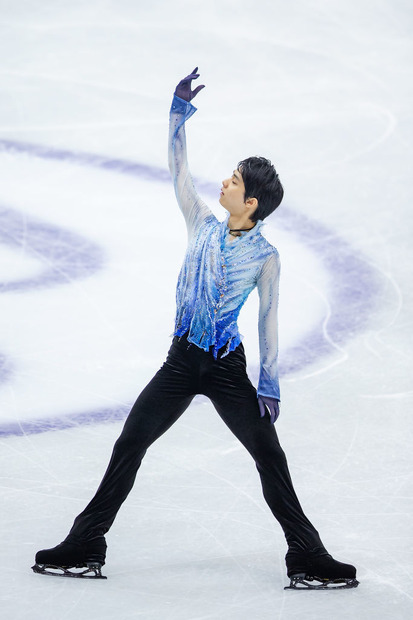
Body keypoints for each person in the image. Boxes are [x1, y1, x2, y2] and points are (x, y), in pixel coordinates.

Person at [32, 69, 358, 590]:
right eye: (229, 175)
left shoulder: (266, 258)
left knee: (269, 456)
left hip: (227, 369)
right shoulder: (200, 221)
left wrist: (269, 386)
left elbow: (268, 323)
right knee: (130, 441)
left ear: (251, 202)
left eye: (235, 181)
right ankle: (85, 540)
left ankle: (308, 555)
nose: (224, 182)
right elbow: (177, 168)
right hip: (181, 362)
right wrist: (179, 114)